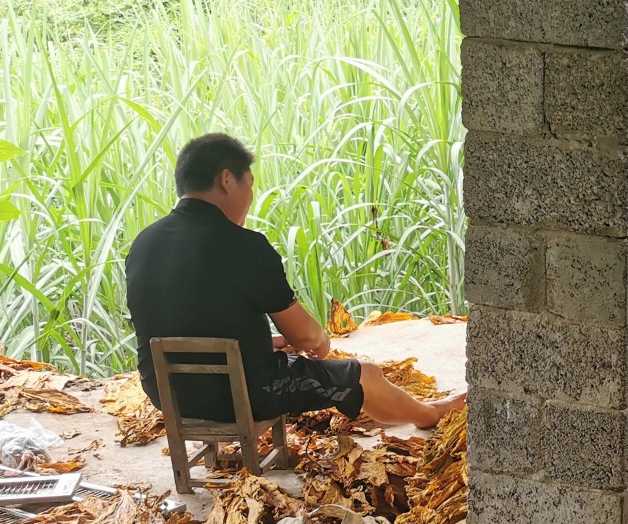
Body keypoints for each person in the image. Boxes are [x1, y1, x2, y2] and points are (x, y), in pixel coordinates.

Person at [126, 134, 465, 429]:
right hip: (242, 394)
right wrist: (319, 344)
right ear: (227, 180)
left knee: (284, 353)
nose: (250, 195)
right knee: (366, 375)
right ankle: (430, 414)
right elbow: (307, 336)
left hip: (167, 394)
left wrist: (266, 342)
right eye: (250, 184)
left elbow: (186, 319)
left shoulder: (143, 243)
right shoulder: (244, 246)